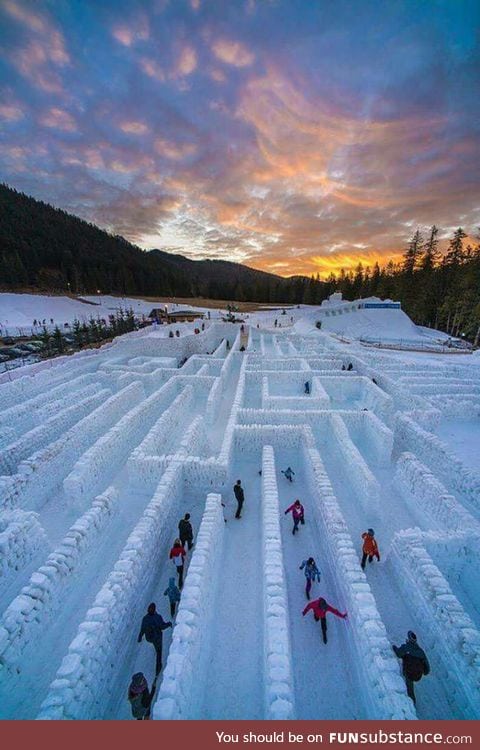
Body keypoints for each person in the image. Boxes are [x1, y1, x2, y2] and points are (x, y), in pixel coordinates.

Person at [392, 631, 430, 706]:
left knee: (409, 686)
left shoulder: (406, 647)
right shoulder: (421, 651)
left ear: (409, 639)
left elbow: (399, 653)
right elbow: (427, 669)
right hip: (418, 675)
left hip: (408, 673)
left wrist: (394, 647)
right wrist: (424, 672)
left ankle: (411, 704)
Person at [137, 602, 172, 675]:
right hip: (157, 637)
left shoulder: (145, 618)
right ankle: (158, 668)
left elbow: (142, 629)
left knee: (155, 645)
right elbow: (162, 626)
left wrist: (140, 637)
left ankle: (155, 648)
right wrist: (168, 624)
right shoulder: (157, 617)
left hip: (149, 638)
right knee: (159, 651)